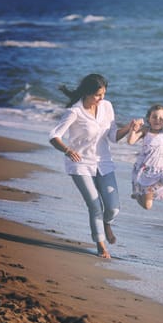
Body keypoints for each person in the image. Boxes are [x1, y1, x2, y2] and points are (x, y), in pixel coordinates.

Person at [49, 73, 133, 259]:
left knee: (113, 208)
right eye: (97, 95)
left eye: (103, 94)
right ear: (87, 93)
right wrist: (67, 150)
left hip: (104, 162)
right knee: (94, 205)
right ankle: (100, 245)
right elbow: (54, 136)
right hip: (80, 164)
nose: (101, 98)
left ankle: (106, 222)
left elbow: (112, 137)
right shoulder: (74, 112)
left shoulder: (107, 107)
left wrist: (129, 128)